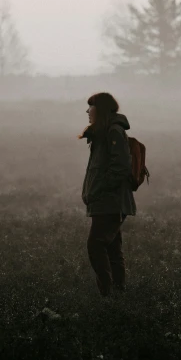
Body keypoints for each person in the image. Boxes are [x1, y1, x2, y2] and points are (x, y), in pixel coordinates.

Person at [79, 92, 136, 296]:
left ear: (100, 109)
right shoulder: (104, 132)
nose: (87, 111)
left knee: (96, 246)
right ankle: (118, 296)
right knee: (112, 249)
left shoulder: (113, 132)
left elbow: (120, 168)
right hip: (108, 201)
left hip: (110, 201)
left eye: (91, 106)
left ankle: (108, 294)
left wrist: (100, 189)